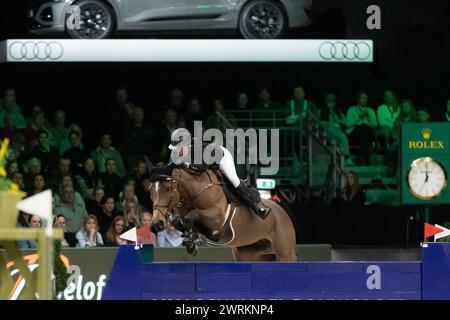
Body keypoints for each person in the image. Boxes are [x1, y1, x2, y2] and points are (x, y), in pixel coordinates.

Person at [165, 128, 270, 219]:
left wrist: (184, 164)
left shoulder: (200, 148)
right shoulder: (175, 151)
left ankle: (257, 207)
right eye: (176, 148)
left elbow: (202, 168)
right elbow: (169, 169)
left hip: (220, 158)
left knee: (234, 181)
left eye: (180, 147)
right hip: (204, 162)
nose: (178, 151)